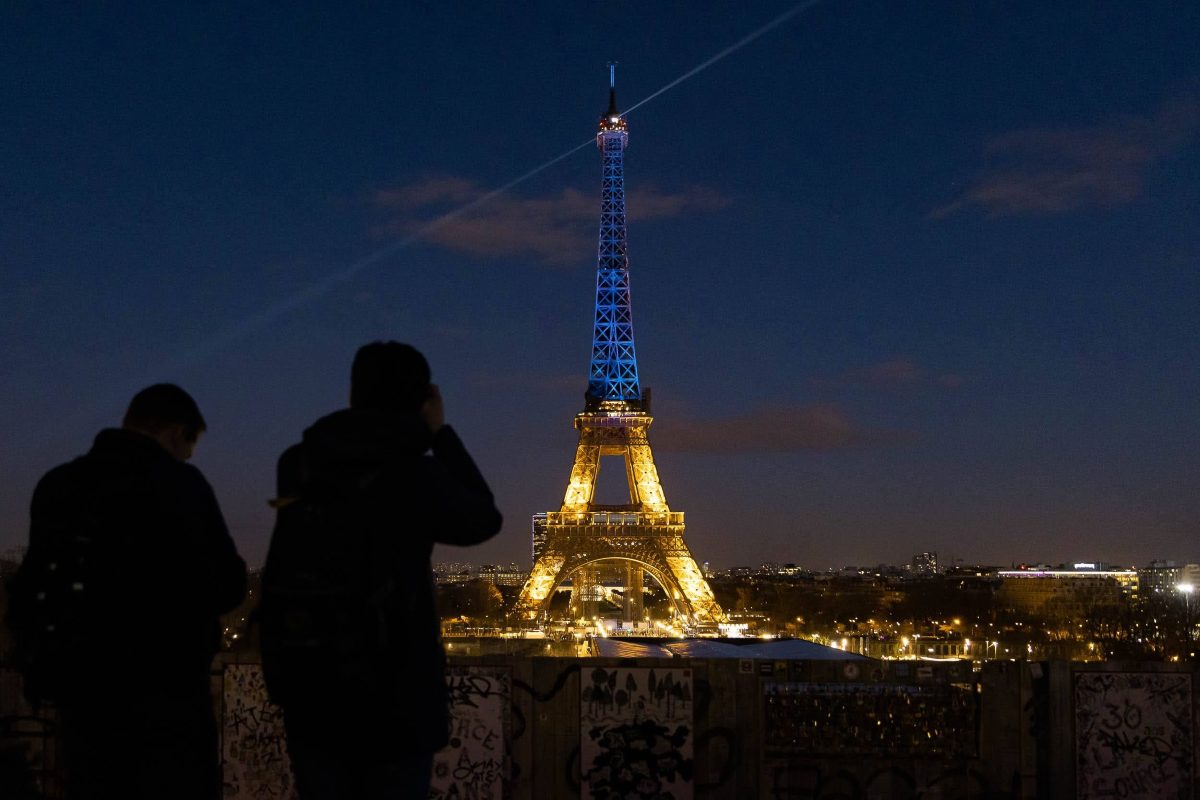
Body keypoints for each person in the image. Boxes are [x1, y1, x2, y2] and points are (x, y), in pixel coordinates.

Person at [259, 341, 502, 798]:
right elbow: (483, 519)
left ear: (352, 392)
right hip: (397, 692)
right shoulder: (414, 473)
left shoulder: (298, 464)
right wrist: (439, 434)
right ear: (423, 398)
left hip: (313, 686)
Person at [7, 383, 247, 799]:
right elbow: (226, 584)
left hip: (81, 694)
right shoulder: (179, 484)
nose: (187, 456)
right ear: (177, 432)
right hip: (167, 696)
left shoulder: (59, 485)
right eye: (188, 445)